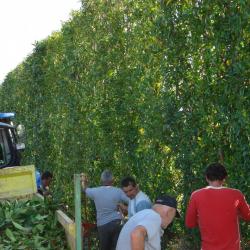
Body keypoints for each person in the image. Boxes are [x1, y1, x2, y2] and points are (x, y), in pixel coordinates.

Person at [185, 163, 250, 250]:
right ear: (224, 178)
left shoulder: (196, 195)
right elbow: (248, 216)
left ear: (207, 178)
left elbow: (190, 223)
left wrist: (203, 218)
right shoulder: (236, 194)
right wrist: (237, 214)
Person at [81, 170, 129, 250]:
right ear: (112, 180)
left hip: (103, 226)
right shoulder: (118, 191)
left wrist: (84, 181)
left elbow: (84, 189)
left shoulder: (95, 191)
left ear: (101, 180)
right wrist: (124, 208)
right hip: (117, 223)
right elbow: (131, 200)